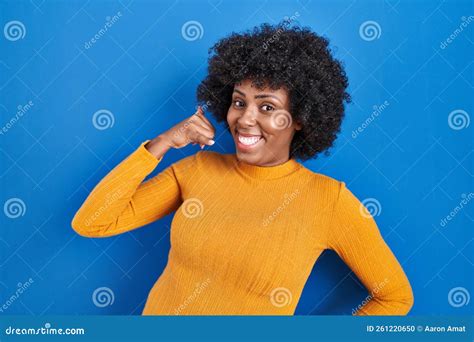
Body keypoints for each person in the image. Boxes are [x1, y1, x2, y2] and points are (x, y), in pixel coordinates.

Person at [71, 23, 414, 315]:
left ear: (300, 119)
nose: (245, 119)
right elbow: (93, 222)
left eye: (267, 106)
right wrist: (161, 143)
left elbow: (395, 297)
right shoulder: (197, 170)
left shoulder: (329, 201)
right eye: (239, 102)